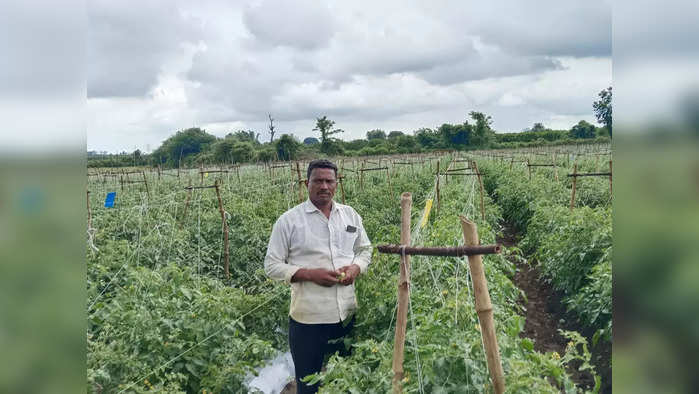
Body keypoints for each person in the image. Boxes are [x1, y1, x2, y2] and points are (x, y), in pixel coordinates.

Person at [264, 159, 372, 393]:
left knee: (345, 379)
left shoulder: (350, 215)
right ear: (307, 183)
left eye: (329, 181)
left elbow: (365, 250)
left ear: (336, 183)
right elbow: (271, 266)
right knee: (308, 383)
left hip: (346, 315)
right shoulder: (289, 221)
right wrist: (310, 274)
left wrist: (356, 269)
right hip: (308, 320)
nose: (324, 186)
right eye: (318, 181)